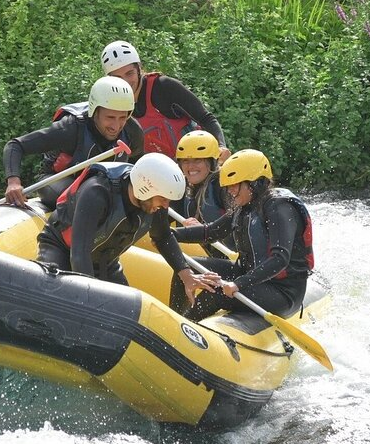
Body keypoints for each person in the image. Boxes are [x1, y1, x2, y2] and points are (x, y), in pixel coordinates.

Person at [36, 152, 218, 301]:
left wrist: (187, 276)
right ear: (146, 188)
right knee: (56, 296)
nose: (165, 205)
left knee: (125, 309)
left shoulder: (155, 201)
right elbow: (79, 253)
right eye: (163, 199)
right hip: (61, 249)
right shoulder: (97, 192)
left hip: (104, 261)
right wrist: (88, 299)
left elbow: (162, 237)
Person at [169, 149, 314, 321]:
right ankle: (175, 318)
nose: (230, 191)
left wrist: (238, 284)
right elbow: (210, 232)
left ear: (254, 183)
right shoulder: (245, 207)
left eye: (235, 185)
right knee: (186, 267)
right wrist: (169, 235)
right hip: (248, 274)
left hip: (282, 291)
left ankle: (183, 331)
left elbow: (280, 259)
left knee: (217, 293)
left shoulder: (279, 208)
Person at [3, 76, 145, 209]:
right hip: (55, 180)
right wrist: (13, 182)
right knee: (89, 195)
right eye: (110, 117)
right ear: (94, 112)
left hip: (101, 186)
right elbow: (15, 146)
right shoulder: (70, 128)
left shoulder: (132, 131)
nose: (116, 126)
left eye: (122, 117)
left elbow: (139, 167)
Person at [100, 40, 231, 162]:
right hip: (161, 174)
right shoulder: (112, 105)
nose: (126, 82)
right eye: (118, 77)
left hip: (197, 163)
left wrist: (221, 146)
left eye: (130, 73)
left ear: (139, 68)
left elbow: (206, 118)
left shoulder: (164, 87)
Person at [171, 130, 235, 259]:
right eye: (185, 161)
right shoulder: (183, 187)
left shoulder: (223, 186)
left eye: (197, 160)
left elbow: (237, 224)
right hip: (204, 254)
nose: (191, 167)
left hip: (229, 258)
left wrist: (203, 230)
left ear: (212, 162)